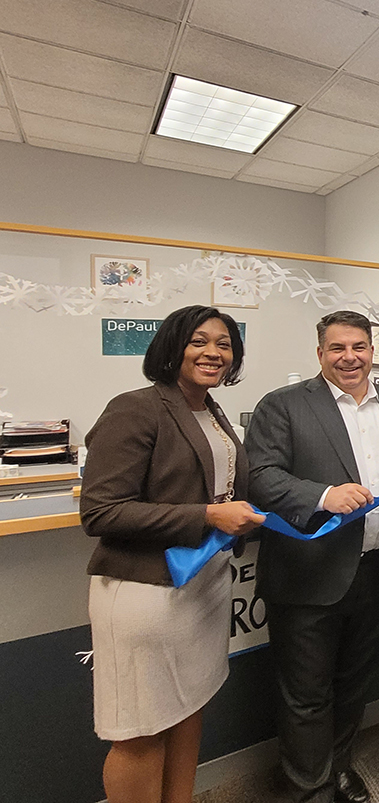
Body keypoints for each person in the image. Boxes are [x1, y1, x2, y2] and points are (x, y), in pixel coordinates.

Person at [80, 305, 264, 803]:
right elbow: (101, 512)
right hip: (147, 591)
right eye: (199, 341)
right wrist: (206, 515)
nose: (213, 353)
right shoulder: (136, 407)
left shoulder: (209, 408)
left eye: (224, 344)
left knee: (187, 710)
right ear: (171, 347)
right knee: (140, 731)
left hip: (203, 586)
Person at [245, 310, 379, 803]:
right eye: (337, 348)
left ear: (373, 351)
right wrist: (323, 494)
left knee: (353, 684)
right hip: (310, 574)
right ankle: (312, 790)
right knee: (306, 695)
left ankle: (339, 767)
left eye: (359, 347)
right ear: (320, 353)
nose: (350, 357)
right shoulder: (282, 406)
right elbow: (260, 477)